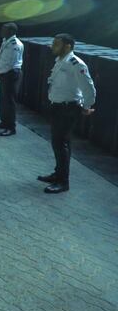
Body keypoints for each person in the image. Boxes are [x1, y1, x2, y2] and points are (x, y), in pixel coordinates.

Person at [37, 34, 96, 194]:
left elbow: (89, 88)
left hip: (68, 109)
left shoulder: (75, 63)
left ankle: (63, 182)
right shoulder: (60, 61)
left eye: (56, 44)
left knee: (61, 144)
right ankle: (58, 174)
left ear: (68, 46)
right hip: (58, 107)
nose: (52, 46)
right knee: (59, 143)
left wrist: (86, 106)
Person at [0, 22, 24, 137]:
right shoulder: (6, 41)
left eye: (4, 29)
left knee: (10, 102)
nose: (1, 31)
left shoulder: (15, 44)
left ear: (11, 31)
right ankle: (4, 122)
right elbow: (1, 58)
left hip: (11, 74)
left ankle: (11, 127)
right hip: (4, 74)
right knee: (3, 100)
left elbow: (10, 63)